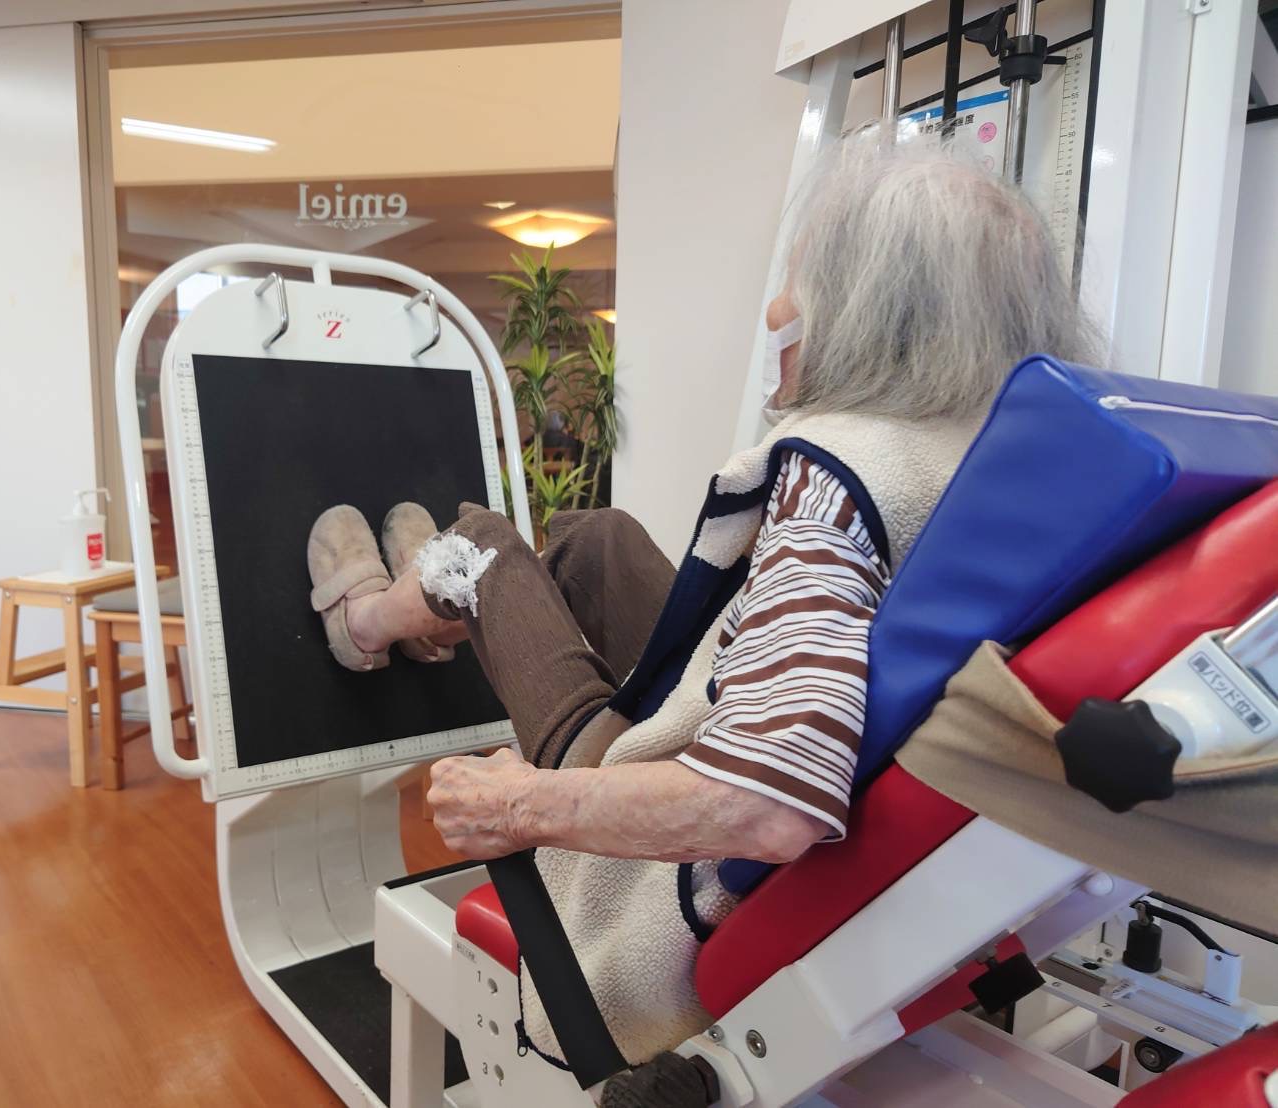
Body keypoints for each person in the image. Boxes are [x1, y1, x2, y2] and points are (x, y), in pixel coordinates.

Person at [307, 136, 1102, 1076]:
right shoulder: (1002, 452)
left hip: (666, 869)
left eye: (801, 280)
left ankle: (371, 623)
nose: (777, 310)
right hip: (789, 739)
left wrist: (515, 804)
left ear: (866, 307)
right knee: (596, 538)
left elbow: (764, 806)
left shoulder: (842, 478)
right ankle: (437, 611)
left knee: (483, 542)